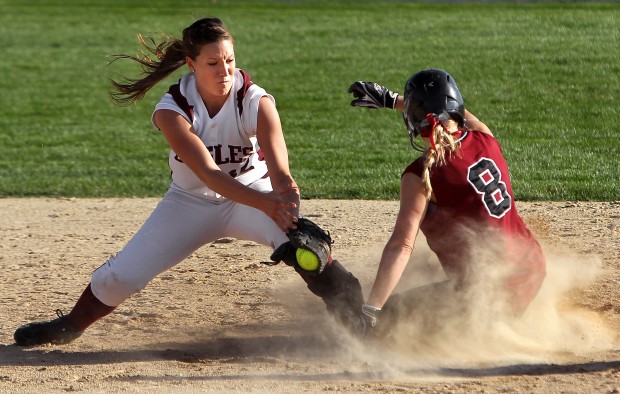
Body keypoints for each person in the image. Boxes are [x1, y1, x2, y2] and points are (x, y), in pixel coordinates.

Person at [14, 17, 363, 347]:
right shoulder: (173, 110)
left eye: (229, 60)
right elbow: (210, 174)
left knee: (306, 248)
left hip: (254, 191)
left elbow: (280, 168)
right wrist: (269, 205)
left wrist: (286, 199)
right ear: (191, 65)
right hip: (189, 202)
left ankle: (357, 317)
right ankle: (70, 326)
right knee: (118, 278)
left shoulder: (256, 101)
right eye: (212, 63)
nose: (224, 71)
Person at [347, 69, 546, 336]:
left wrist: (371, 311)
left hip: (485, 296)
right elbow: (456, 114)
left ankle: (483, 331)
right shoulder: (485, 137)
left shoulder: (420, 174)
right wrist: (395, 100)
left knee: (390, 320)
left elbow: (401, 246)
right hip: (530, 271)